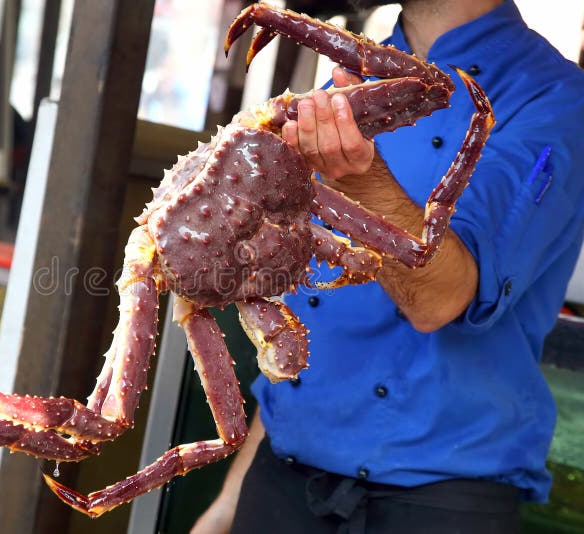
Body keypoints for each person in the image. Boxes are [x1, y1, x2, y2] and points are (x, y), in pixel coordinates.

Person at [192, 0, 584, 532]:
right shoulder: (344, 85)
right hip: (279, 485)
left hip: (433, 507)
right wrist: (230, 503)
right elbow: (308, 326)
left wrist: (361, 180)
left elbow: (441, 299)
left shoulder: (557, 102)